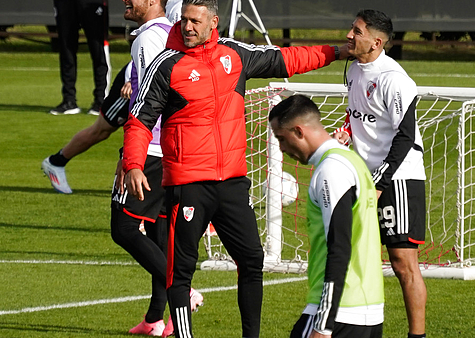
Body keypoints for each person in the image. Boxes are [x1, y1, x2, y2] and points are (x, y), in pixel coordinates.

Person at [122, 1, 347, 336]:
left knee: (252, 260)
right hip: (187, 185)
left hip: (232, 183)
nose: (188, 27)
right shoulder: (166, 65)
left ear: (214, 22)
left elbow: (286, 59)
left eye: (195, 21)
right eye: (184, 20)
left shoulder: (235, 55)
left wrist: (335, 51)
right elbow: (139, 121)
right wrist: (133, 165)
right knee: (180, 272)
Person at [333, 9, 427, 338]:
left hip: (399, 178)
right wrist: (345, 132)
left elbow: (405, 136)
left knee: (402, 262)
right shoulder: (354, 71)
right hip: (366, 177)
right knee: (357, 258)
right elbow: (358, 113)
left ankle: (418, 335)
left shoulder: (394, 79)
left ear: (376, 41)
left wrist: (380, 183)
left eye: (356, 31)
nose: (348, 35)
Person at [269, 95, 384, 338]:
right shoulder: (353, 161)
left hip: (340, 313)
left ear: (299, 131)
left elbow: (339, 247)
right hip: (368, 309)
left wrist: (323, 324)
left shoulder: (331, 170)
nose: (281, 147)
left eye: (282, 138)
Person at [41, 0, 183, 194]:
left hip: (153, 81)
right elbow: (155, 50)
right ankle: (56, 162)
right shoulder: (168, 12)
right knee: (101, 129)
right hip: (135, 82)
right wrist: (135, 77)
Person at [50, 0, 111, 115]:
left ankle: (101, 100)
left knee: (98, 49)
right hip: (66, 3)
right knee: (66, 49)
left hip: (91, 3)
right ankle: (69, 101)